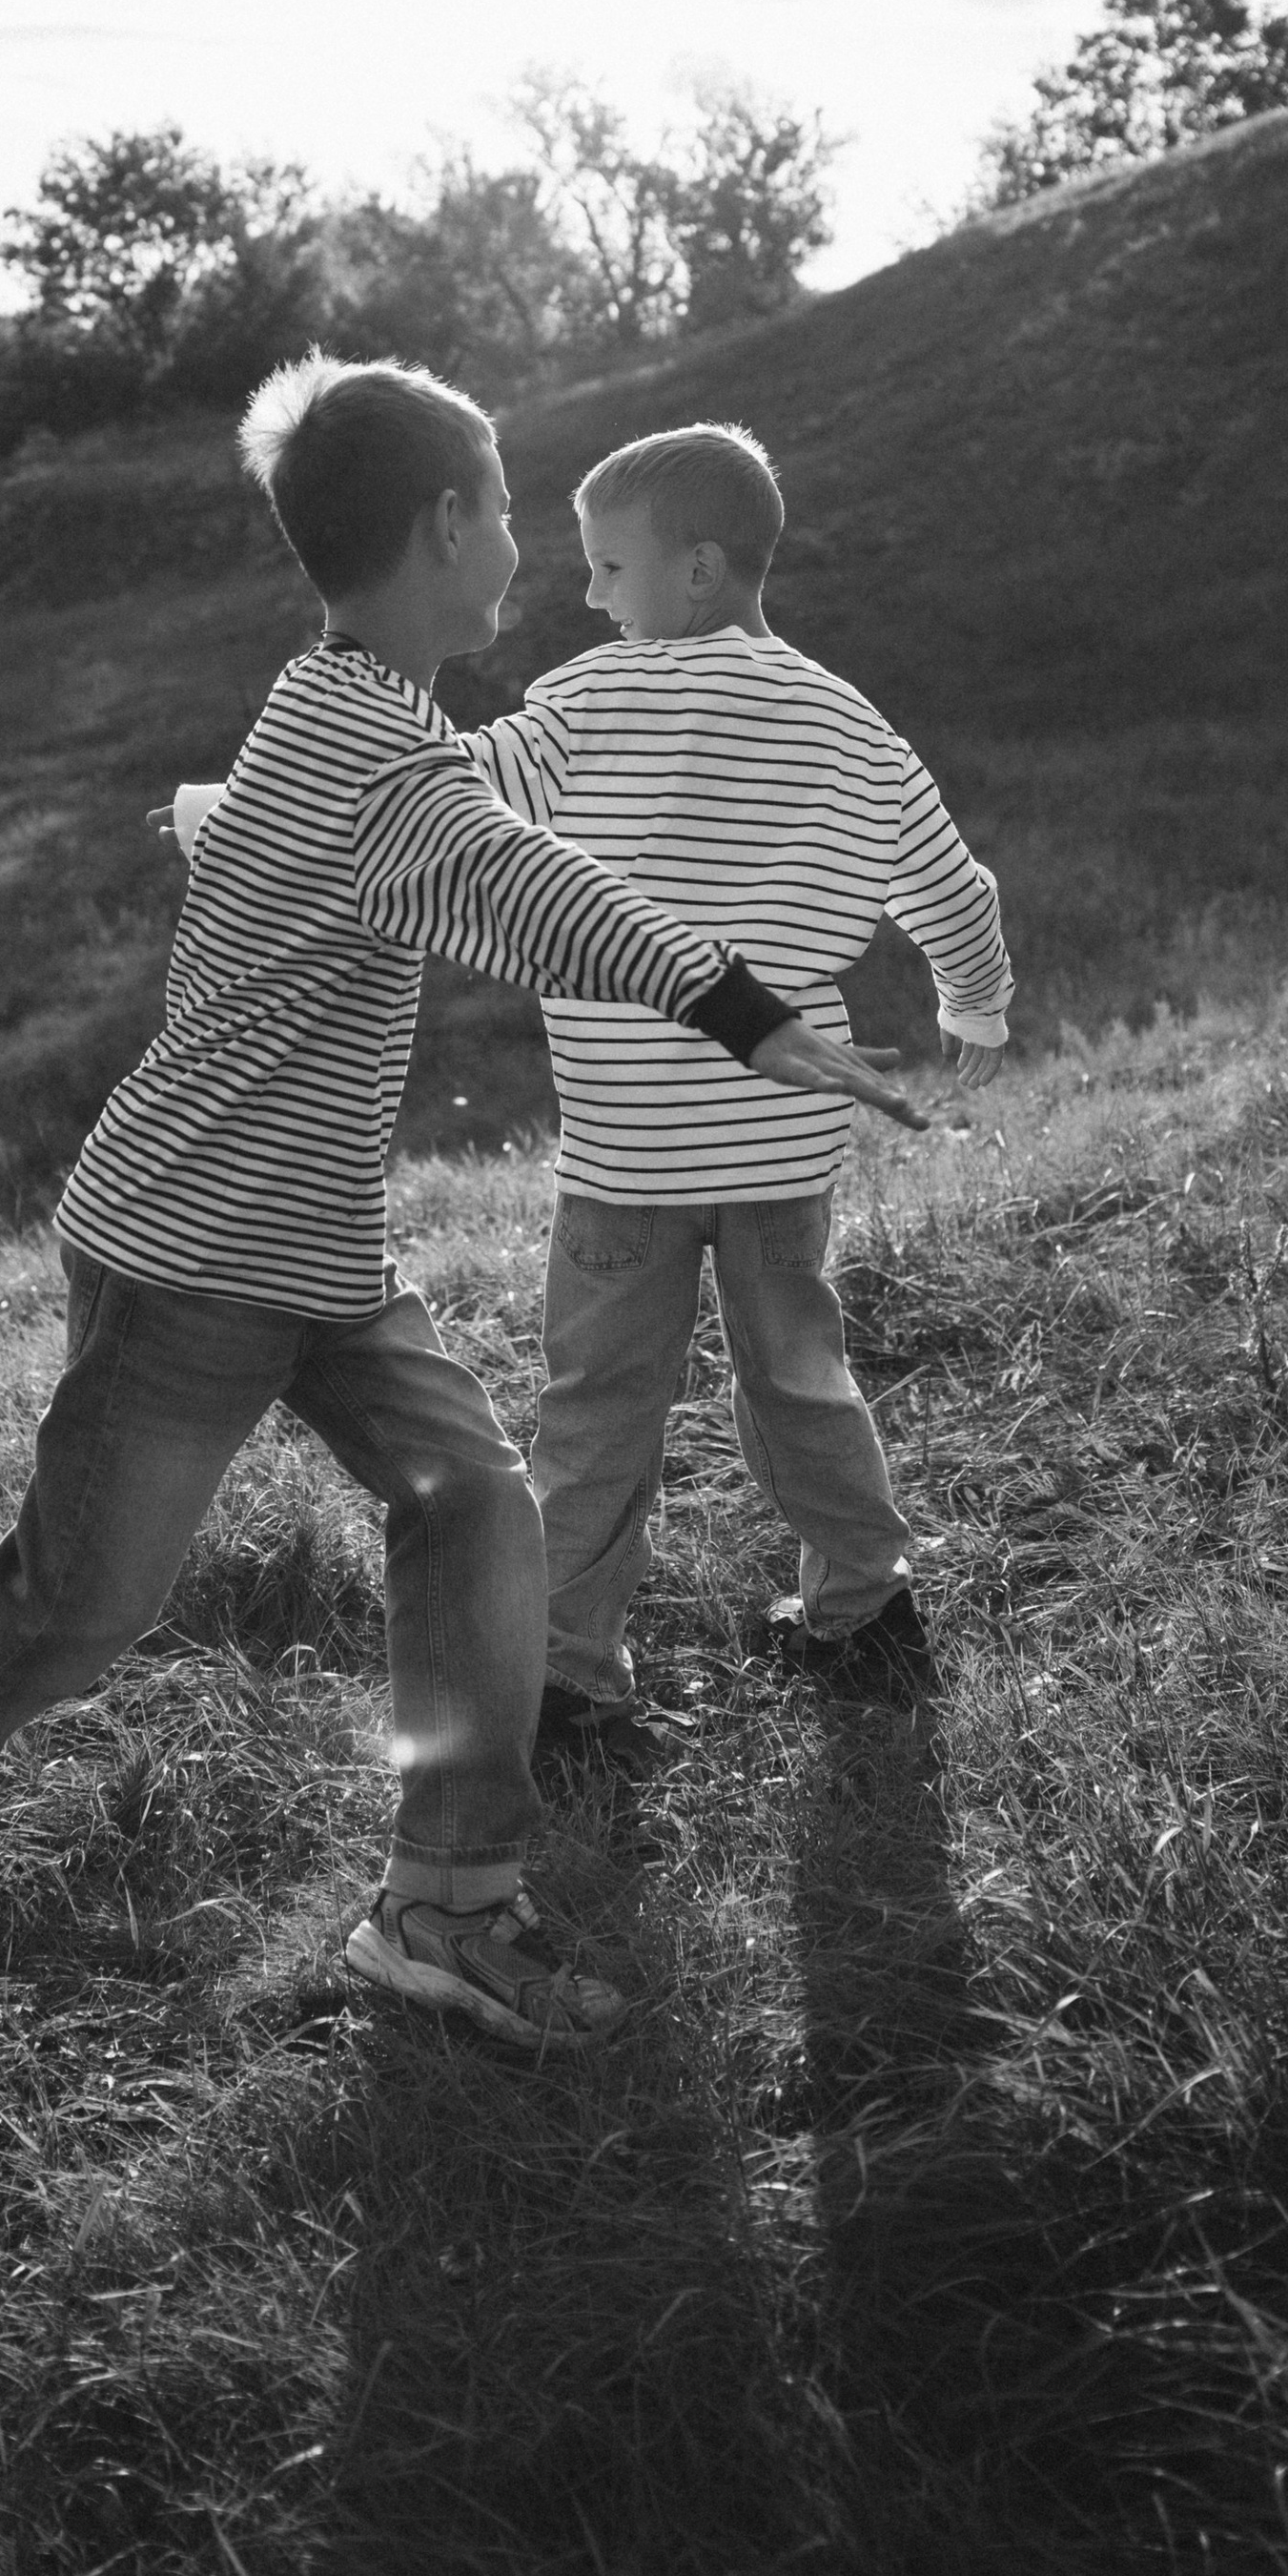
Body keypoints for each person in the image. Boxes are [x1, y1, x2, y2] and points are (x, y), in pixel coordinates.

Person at [0, 360, 928, 2079]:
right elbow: (545, 897)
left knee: (476, 1506)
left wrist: (220, 817)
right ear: (445, 527)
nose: (524, 541)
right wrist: (764, 1021)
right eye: (509, 508)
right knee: (76, 1607)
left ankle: (443, 1901)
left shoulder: (342, 709)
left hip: (318, 1255)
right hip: (193, 1253)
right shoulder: (381, 759)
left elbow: (421, 840)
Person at [467, 422, 1011, 1776]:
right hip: (782, 1142)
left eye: (605, 567)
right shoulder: (847, 720)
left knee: (597, 1402)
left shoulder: (588, 699)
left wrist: (225, 810)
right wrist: (975, 1008)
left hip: (627, 1144)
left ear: (698, 570)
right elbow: (954, 889)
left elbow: (443, 802)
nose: (588, 597)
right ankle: (867, 1607)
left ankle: (567, 1677)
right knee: (799, 1372)